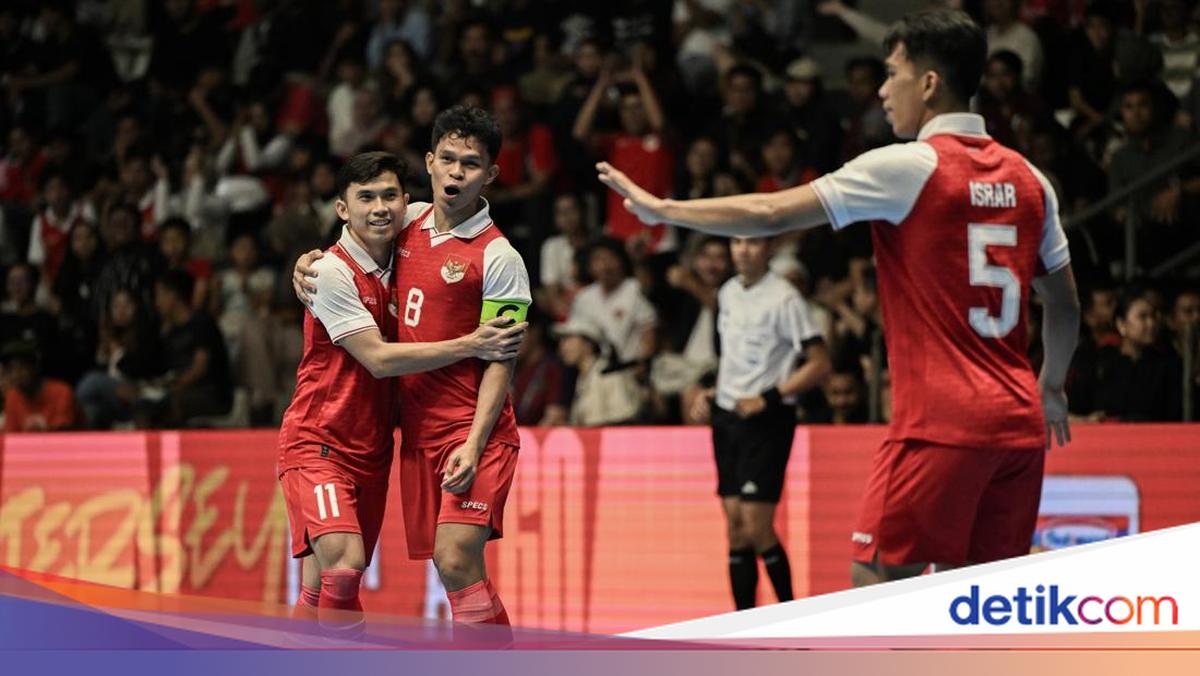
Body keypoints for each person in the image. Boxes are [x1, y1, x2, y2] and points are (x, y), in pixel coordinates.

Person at [597, 8, 1081, 586]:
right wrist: (1051, 386)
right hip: (1019, 424)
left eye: (893, 74)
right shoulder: (1031, 179)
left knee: (873, 578)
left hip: (941, 423)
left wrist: (666, 210)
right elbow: (1064, 305)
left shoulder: (909, 166)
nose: (882, 90)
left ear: (929, 83)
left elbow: (770, 212)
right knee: (977, 594)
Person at [294, 108, 531, 634]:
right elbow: (355, 232)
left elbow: (501, 359)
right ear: (429, 162)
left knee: (455, 558)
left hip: (472, 430)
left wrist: (475, 443)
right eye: (447, 159)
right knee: (330, 570)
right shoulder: (409, 219)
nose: (456, 172)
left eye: (471, 164)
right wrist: (309, 263)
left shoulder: (500, 257)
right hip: (416, 434)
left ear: (491, 175)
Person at [689, 236, 830, 610]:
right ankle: (743, 624)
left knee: (756, 524)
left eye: (752, 243)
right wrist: (713, 391)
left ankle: (790, 616)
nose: (743, 250)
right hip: (728, 416)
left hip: (767, 418)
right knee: (735, 527)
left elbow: (819, 363)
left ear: (768, 249)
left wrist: (767, 397)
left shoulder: (784, 297)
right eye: (737, 242)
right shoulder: (728, 292)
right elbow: (733, 359)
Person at [2, 340, 76, 432]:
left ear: (34, 367)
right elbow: (11, 435)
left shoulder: (61, 392)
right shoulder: (12, 397)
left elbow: (63, 433)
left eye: (21, 367)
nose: (16, 374)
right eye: (10, 369)